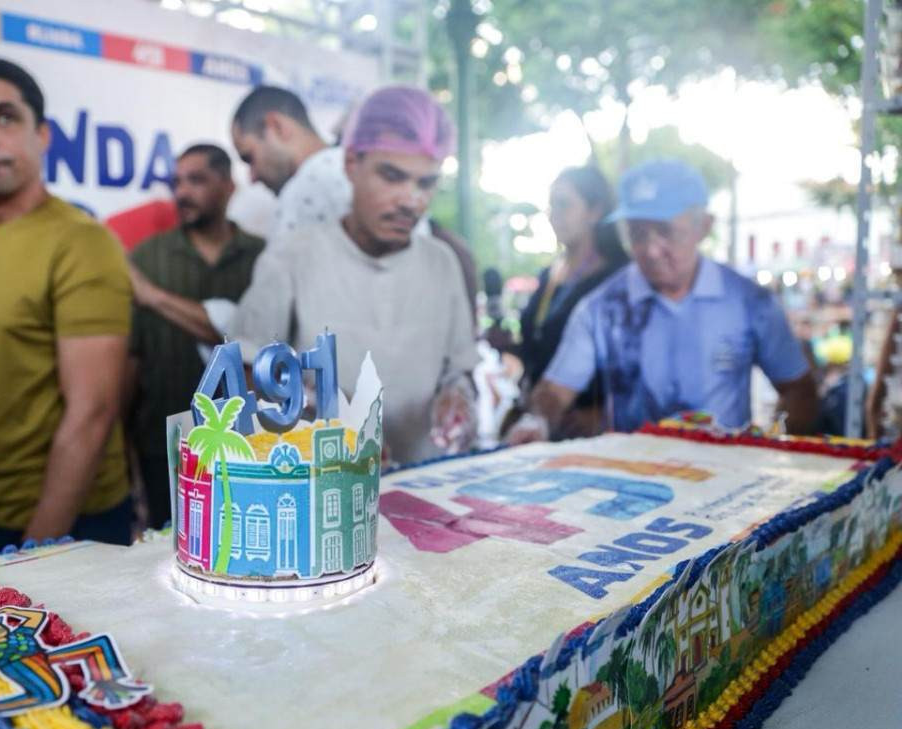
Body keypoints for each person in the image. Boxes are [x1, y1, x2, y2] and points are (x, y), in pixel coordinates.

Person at [231, 86, 478, 465]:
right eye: (392, 176)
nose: (410, 200)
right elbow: (246, 376)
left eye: (425, 183)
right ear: (350, 165)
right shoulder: (291, 258)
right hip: (322, 493)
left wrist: (457, 399)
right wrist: (320, 425)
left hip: (424, 489)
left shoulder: (442, 264)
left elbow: (460, 372)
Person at [0, 57, 133, 550]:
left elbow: (92, 412)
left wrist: (34, 552)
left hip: (65, 527)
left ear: (42, 135)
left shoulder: (82, 240)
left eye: (4, 117)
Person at [509, 159, 818, 443]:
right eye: (638, 234)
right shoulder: (602, 308)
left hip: (724, 478)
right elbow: (555, 390)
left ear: (704, 227)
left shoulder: (749, 302)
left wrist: (780, 451)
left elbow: (797, 389)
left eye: (665, 232)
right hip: (633, 480)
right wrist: (537, 420)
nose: (651, 250)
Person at [126, 144, 263, 529]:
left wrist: (153, 296)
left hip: (249, 447)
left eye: (197, 180)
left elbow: (248, 341)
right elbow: (129, 359)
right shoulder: (148, 258)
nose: (182, 192)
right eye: (177, 182)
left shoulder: (263, 258)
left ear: (228, 186)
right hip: (164, 449)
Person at [516, 165, 628, 438]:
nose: (554, 216)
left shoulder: (619, 280)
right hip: (543, 421)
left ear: (595, 211)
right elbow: (537, 344)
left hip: (594, 435)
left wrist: (605, 414)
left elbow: (636, 362)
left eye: (564, 205)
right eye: (551, 206)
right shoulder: (548, 275)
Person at [231, 85, 350, 240]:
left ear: (277, 127)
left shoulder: (303, 193)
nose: (252, 178)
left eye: (249, 158)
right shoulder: (358, 172)